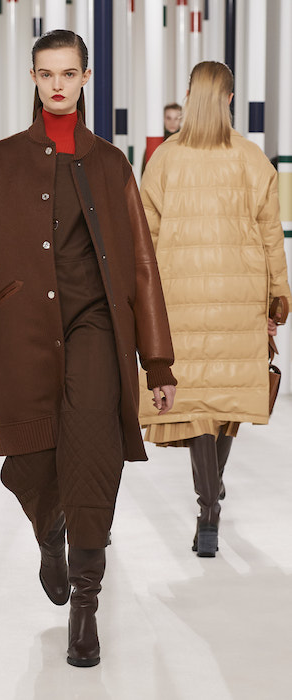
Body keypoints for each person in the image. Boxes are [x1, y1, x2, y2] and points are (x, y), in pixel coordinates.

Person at [0, 29, 176, 667]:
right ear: (35, 80)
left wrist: (157, 361)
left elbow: (143, 266)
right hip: (25, 332)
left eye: (69, 73)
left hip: (97, 329)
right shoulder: (1, 161)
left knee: (93, 459)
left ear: (86, 78)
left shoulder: (111, 164)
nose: (58, 84)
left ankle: (85, 605)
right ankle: (49, 531)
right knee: (32, 462)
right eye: (47, 74)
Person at [139, 61, 291, 558]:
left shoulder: (164, 159)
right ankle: (211, 499)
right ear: (228, 98)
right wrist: (277, 298)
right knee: (223, 403)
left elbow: (145, 236)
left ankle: (209, 508)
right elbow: (271, 237)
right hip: (238, 296)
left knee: (200, 405)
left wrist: (142, 302)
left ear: (190, 97)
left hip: (178, 297)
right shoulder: (252, 160)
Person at [141, 102, 182, 175]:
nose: (172, 122)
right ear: (164, 119)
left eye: (176, 118)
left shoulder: (186, 141)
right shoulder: (156, 141)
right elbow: (146, 169)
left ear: (181, 120)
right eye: (168, 118)